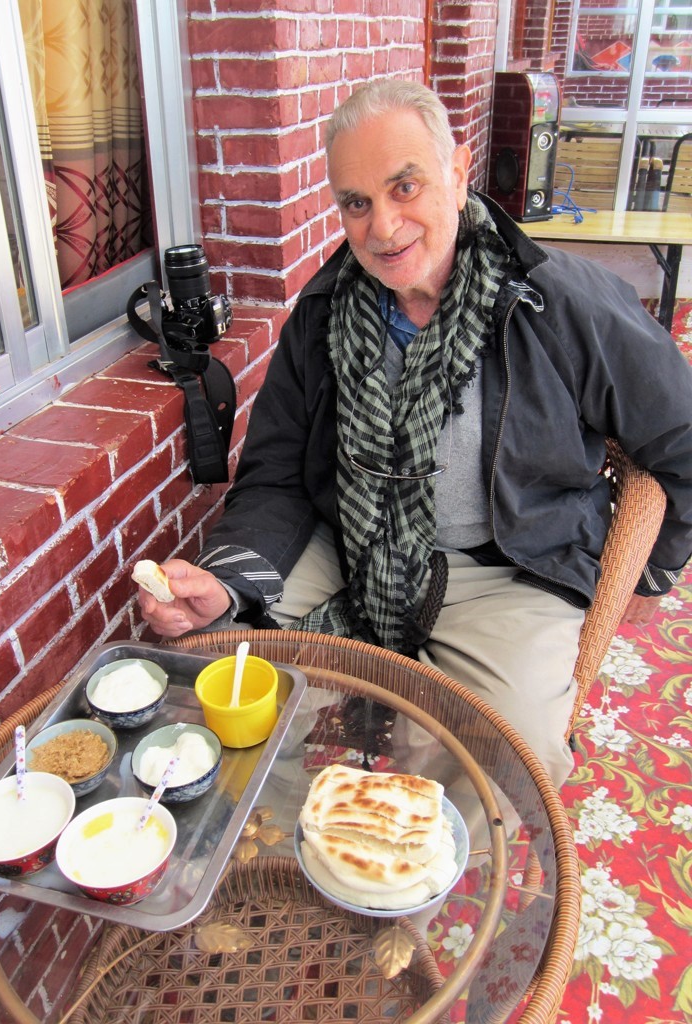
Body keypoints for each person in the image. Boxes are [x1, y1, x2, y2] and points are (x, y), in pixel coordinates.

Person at [138, 79, 692, 792]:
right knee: (227, 664)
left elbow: (680, 438)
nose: (383, 228)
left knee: (505, 746)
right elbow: (274, 474)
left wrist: (650, 573)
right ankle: (269, 840)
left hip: (510, 563)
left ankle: (407, 870)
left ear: (459, 173)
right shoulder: (320, 316)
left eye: (406, 187)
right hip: (350, 542)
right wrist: (224, 580)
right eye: (357, 202)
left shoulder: (559, 302)